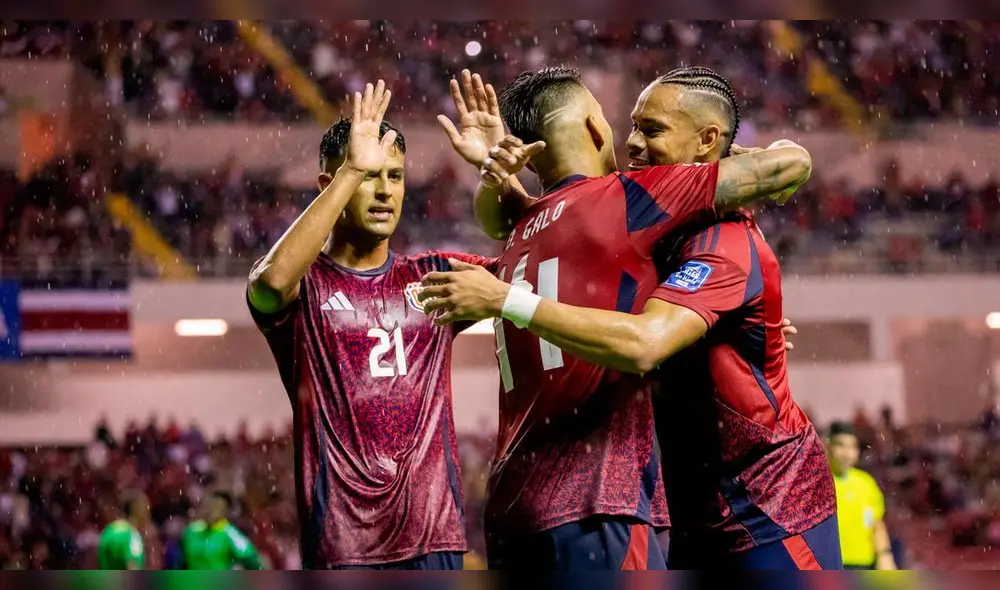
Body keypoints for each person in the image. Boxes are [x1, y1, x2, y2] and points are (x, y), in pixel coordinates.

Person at [422, 67, 837, 570]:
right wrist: (495, 177)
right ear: (597, 129)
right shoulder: (627, 217)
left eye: (652, 130)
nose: (634, 143)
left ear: (707, 140)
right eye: (631, 126)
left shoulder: (714, 234)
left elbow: (792, 164)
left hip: (764, 505)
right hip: (668, 504)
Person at [246, 80, 496, 569]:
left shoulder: (433, 276)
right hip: (344, 544)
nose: (384, 191)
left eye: (395, 176)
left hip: (434, 540)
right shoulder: (307, 287)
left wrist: (497, 176)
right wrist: (349, 170)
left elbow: (533, 269)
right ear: (330, 186)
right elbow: (269, 284)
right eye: (369, 176)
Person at [827, 422, 897, 570]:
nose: (847, 453)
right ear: (828, 446)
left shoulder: (866, 483)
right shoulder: (818, 484)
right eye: (840, 445)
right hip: (831, 565)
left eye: (852, 447)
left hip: (865, 564)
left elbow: (876, 524)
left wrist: (885, 555)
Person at [179, 491, 264, 570]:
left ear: (225, 512)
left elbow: (250, 560)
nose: (211, 511)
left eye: (217, 507)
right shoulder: (191, 531)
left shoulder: (230, 533)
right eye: (209, 506)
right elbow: (180, 562)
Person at [97, 492, 149, 570]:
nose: (148, 512)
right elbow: (132, 566)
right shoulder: (131, 535)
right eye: (145, 507)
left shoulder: (108, 531)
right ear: (134, 508)